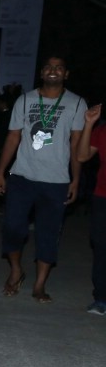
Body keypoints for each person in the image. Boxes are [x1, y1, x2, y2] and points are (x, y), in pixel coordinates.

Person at [0, 55, 87, 303]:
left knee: (48, 233)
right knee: (13, 227)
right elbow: (13, 137)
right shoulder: (25, 100)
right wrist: (0, 172)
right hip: (22, 175)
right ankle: (16, 269)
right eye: (48, 67)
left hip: (56, 180)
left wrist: (75, 179)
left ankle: (39, 284)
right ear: (42, 73)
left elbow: (76, 144)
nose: (53, 70)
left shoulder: (77, 104)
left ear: (66, 74)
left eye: (59, 67)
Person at [76, 102, 105, 314]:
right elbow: (82, 156)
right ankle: (101, 298)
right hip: (102, 196)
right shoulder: (102, 131)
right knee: (101, 247)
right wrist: (88, 124)